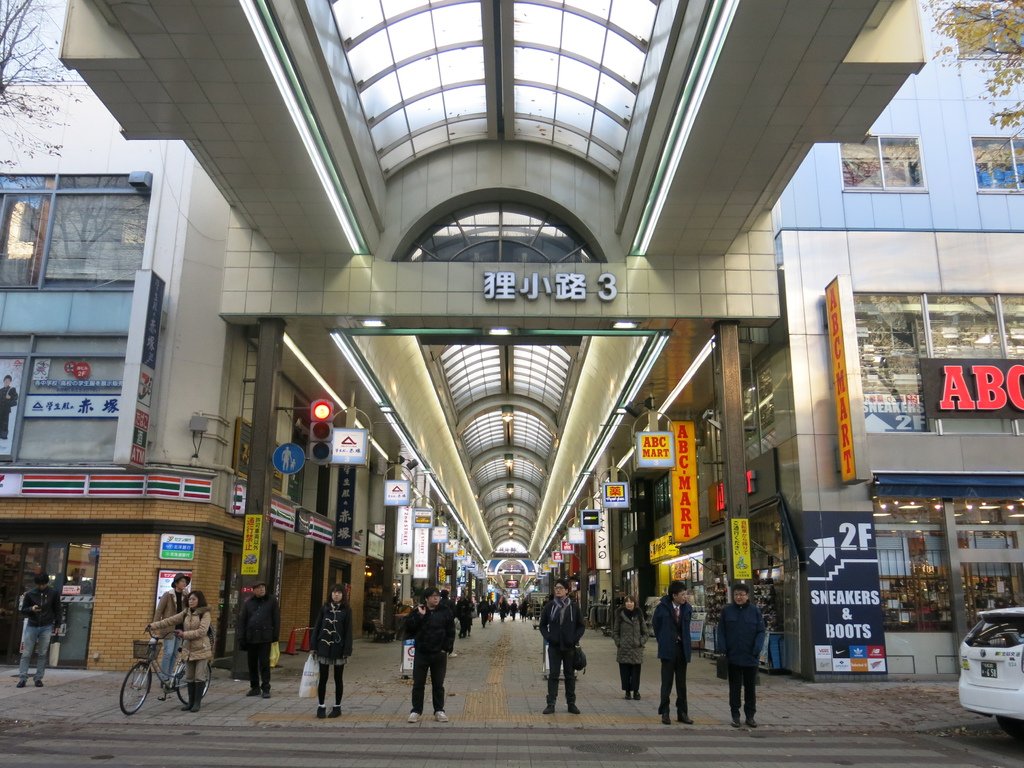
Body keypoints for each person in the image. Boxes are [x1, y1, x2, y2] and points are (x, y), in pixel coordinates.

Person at [147, 589, 212, 712]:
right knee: (189, 677)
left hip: (201, 648)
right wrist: (153, 625)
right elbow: (170, 620)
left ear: (200, 601)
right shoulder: (186, 612)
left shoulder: (205, 614)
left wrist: (184, 634)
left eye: (194, 599)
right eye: (190, 599)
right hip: (188, 649)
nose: (191, 601)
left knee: (199, 677)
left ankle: (197, 703)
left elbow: (202, 631)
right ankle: (190, 702)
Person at [717, 583, 766, 728]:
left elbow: (761, 631)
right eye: (736, 594)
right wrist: (723, 648)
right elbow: (721, 631)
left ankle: (750, 716)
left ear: (747, 596)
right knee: (734, 688)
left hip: (750, 657)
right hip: (733, 657)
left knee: (750, 689)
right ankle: (735, 715)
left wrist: (757, 648)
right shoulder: (727, 611)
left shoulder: (755, 611)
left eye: (742, 595)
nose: (739, 597)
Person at [404, 586, 455, 723]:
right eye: (433, 596)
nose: (436, 598)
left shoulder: (445, 612)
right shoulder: (419, 611)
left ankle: (439, 710)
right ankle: (416, 711)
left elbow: (451, 630)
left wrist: (447, 647)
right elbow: (409, 627)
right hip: (422, 652)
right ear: (426, 598)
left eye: (437, 596)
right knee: (418, 683)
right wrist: (420, 616)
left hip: (439, 653)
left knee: (438, 684)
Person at [539, 578, 585, 715]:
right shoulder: (550, 606)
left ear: (566, 590)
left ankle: (571, 703)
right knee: (553, 675)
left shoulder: (574, 607)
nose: (558, 590)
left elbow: (581, 626)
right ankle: (551, 703)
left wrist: (574, 638)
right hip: (554, 647)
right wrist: (549, 637)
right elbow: (542, 625)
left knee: (569, 675)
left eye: (560, 588)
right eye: (556, 588)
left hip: (569, 647)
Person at [652, 580, 693, 725]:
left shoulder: (687, 608)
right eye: (682, 594)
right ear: (674, 595)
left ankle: (682, 713)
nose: (685, 597)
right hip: (668, 650)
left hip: (682, 650)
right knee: (667, 683)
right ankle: (665, 712)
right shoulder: (662, 608)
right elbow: (656, 626)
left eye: (685, 594)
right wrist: (663, 640)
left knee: (681, 684)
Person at [312, 584, 353, 719]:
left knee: (338, 678)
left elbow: (348, 631)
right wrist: (313, 646)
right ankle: (321, 706)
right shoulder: (324, 608)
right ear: (330, 594)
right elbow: (317, 626)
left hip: (339, 648)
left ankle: (337, 707)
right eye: (334, 592)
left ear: (343, 595)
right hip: (323, 647)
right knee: (322, 678)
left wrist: (347, 649)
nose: (336, 595)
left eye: (339, 593)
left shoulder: (347, 610)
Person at [17, 572, 62, 688]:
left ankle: (38, 678)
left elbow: (57, 609)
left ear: (47, 583)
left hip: (46, 626)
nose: (41, 586)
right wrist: (31, 608)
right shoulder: (30, 594)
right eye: (39, 584)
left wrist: (57, 624)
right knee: (26, 653)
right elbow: (23, 610)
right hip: (32, 625)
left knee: (42, 653)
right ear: (36, 584)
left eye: (43, 584)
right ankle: (22, 678)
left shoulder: (53, 593)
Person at [238, 580, 280, 698]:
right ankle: (254, 687)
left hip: (265, 637)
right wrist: (241, 637)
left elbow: (276, 618)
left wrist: (275, 635)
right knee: (252, 663)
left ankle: (266, 687)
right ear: (254, 590)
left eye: (263, 587)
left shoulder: (272, 601)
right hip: (251, 637)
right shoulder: (249, 603)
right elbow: (242, 621)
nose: (261, 589)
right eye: (258, 587)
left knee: (264, 663)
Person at [153, 573, 190, 681]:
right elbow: (159, 611)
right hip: (169, 629)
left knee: (174, 653)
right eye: (182, 581)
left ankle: (169, 676)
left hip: (180, 629)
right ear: (176, 583)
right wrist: (155, 626)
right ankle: (164, 678)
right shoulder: (167, 595)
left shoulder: (185, 597)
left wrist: (187, 596)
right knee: (168, 652)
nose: (185, 584)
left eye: (186, 582)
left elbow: (189, 610)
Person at [613, 594, 646, 701]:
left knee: (636, 672)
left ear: (634, 603)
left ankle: (636, 691)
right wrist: (619, 643)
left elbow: (645, 632)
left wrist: (641, 642)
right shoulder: (620, 615)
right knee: (625, 672)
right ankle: (627, 691)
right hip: (624, 649)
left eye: (631, 602)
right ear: (624, 604)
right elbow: (615, 632)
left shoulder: (639, 615)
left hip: (636, 649)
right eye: (627, 602)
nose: (629, 604)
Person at [0, 374, 17, 441]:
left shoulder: (12, 389)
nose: (7, 381)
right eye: (6, 380)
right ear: (4, 381)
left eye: (8, 381)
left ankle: (3, 437)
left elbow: (16, 397)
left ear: (10, 382)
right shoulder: (0, 390)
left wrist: (10, 397)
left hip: (6, 409)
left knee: (5, 423)